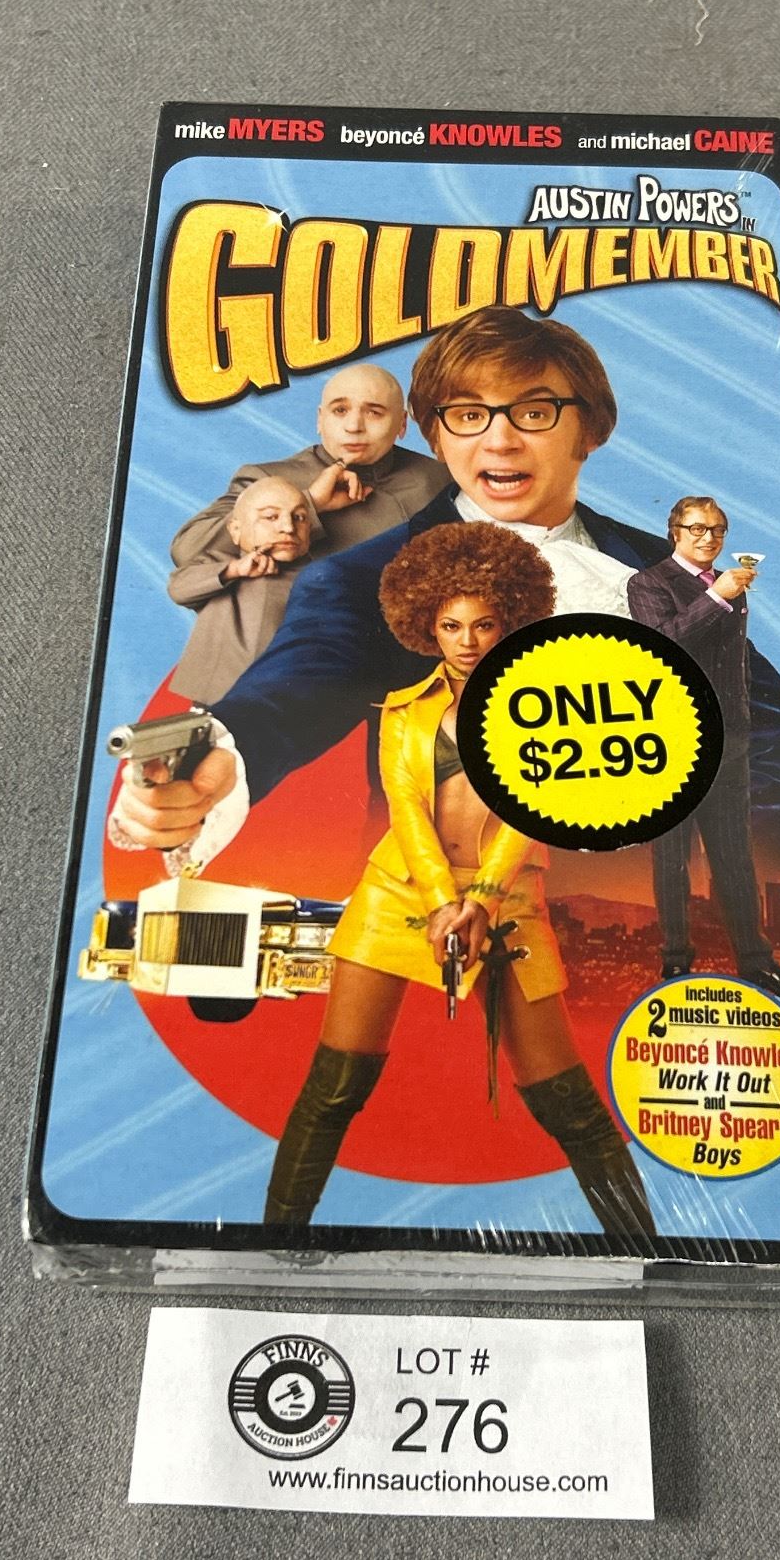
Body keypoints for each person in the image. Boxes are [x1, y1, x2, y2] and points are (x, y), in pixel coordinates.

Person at [109, 306, 780, 877]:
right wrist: (227, 758)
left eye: (534, 412)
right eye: (468, 416)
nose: (498, 442)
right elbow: (299, 686)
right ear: (436, 438)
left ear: (591, 428)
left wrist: (737, 861)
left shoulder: (665, 564)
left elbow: (776, 731)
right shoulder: (360, 578)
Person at [262, 522, 655, 1240]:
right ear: (426, 625)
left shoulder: (548, 706)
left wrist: (478, 900)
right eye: (450, 626)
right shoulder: (402, 711)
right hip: (399, 892)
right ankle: (274, 1246)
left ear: (511, 620)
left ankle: (648, 1250)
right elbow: (406, 811)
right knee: (333, 1089)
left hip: (507, 900)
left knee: (567, 1103)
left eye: (483, 624)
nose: (467, 641)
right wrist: (445, 900)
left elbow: (531, 813)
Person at [627, 495, 780, 1003]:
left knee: (735, 856)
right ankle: (675, 963)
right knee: (672, 857)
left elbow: (734, 661)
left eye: (716, 529)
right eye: (696, 528)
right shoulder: (649, 583)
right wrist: (716, 598)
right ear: (674, 532)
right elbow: (661, 645)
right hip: (672, 744)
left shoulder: (730, 584)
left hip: (731, 740)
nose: (707, 537)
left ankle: (758, 965)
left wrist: (745, 722)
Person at [169, 362, 448, 571]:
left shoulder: (439, 476)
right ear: (320, 420)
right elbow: (188, 551)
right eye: (340, 410)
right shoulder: (267, 478)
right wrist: (309, 503)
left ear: (401, 424)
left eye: (374, 412)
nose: (353, 426)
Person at [167, 477, 313, 704]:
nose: (288, 528)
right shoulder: (220, 565)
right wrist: (233, 571)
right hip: (218, 694)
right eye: (271, 517)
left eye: (299, 517)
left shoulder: (320, 574)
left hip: (288, 696)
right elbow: (178, 588)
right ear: (235, 530)